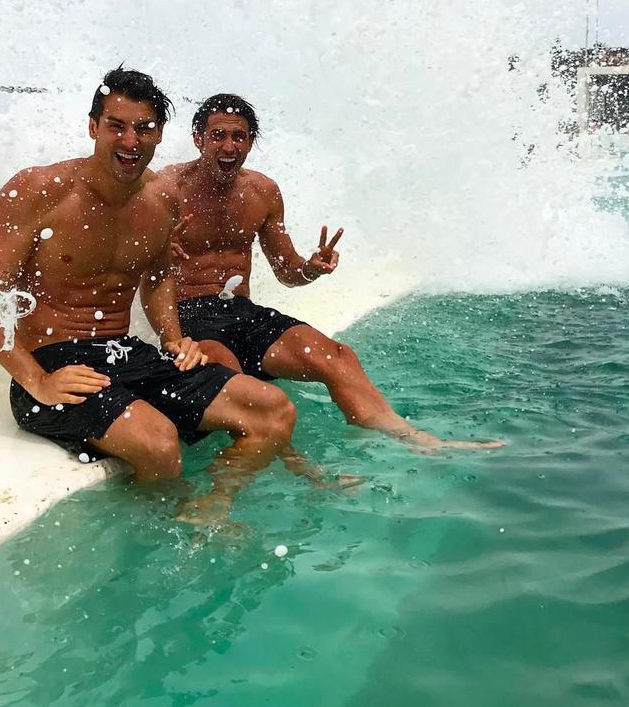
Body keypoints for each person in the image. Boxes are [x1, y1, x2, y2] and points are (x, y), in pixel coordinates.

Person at [0, 68, 298, 524]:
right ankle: (152, 538)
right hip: (53, 361)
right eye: (116, 125)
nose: (130, 141)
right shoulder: (38, 190)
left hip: (124, 353)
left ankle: (211, 506)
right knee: (159, 441)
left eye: (144, 128)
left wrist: (175, 338)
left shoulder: (162, 197)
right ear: (92, 126)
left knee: (273, 412)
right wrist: (37, 381)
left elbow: (158, 275)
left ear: (160, 134)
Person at [159, 93, 504, 452]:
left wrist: (311, 269)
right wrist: (159, 253)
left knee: (338, 356)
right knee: (235, 379)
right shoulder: (167, 189)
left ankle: (415, 440)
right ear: (198, 138)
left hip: (242, 313)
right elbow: (128, 263)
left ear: (251, 143)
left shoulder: (262, 191)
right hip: (190, 317)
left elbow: (286, 271)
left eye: (239, 137)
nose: (229, 146)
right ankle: (305, 473)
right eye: (218, 135)